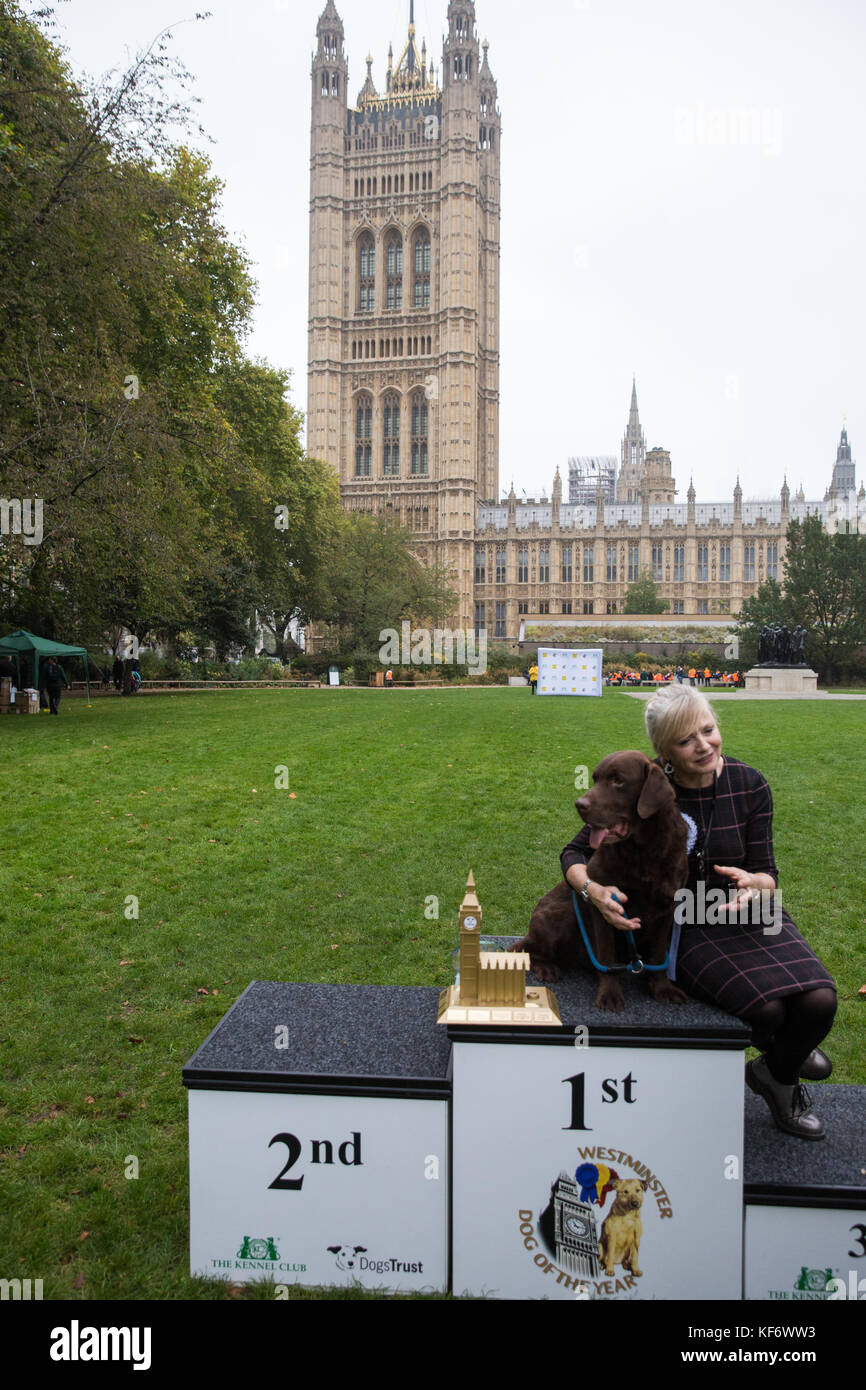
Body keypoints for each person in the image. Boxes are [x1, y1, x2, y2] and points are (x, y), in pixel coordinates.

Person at [642, 685, 836, 1139]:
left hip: (753, 911)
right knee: (766, 1011)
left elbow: (767, 871)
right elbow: (577, 851)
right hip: (688, 922)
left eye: (708, 730)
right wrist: (590, 886)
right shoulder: (651, 790)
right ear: (664, 751)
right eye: (686, 740)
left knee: (819, 1000)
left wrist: (757, 885)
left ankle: (774, 1068)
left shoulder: (750, 784)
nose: (704, 745)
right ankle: (786, 1071)